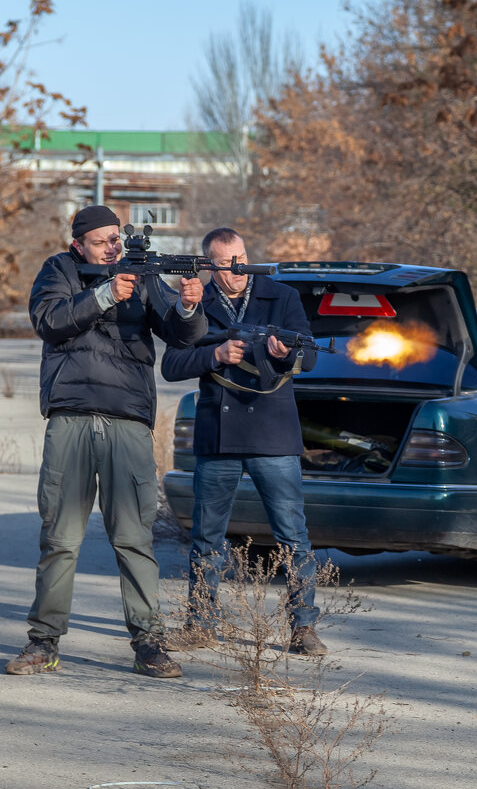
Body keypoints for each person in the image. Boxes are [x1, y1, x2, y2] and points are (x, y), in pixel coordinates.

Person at [5, 204, 207, 678]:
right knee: (60, 538)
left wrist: (189, 304)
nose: (114, 247)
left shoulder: (140, 273)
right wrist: (104, 295)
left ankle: (149, 644)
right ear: (78, 244)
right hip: (71, 416)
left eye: (117, 238)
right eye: (102, 241)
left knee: (135, 539)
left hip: (128, 420)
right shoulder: (59, 270)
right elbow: (48, 321)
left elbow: (181, 337)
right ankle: (43, 642)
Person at [160, 227, 327, 656]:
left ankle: (303, 629)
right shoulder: (197, 302)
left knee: (293, 537)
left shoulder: (282, 296)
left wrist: (280, 354)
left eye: (240, 260)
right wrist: (213, 356)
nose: (235, 271)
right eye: (225, 264)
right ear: (209, 265)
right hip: (218, 433)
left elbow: (306, 355)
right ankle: (200, 625)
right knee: (206, 537)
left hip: (272, 434)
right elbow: (173, 363)